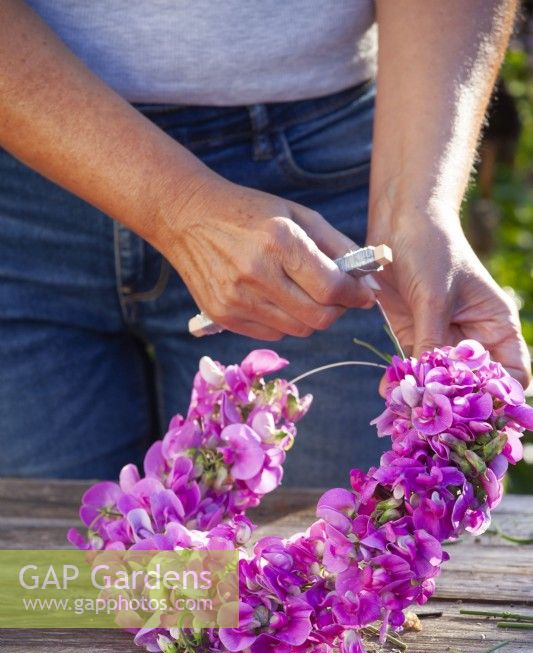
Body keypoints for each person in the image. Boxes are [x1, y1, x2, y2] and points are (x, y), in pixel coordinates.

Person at [0, 0, 530, 485]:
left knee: (313, 568)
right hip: (29, 163)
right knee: (47, 578)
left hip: (328, 171)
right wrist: (179, 209)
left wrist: (414, 206)